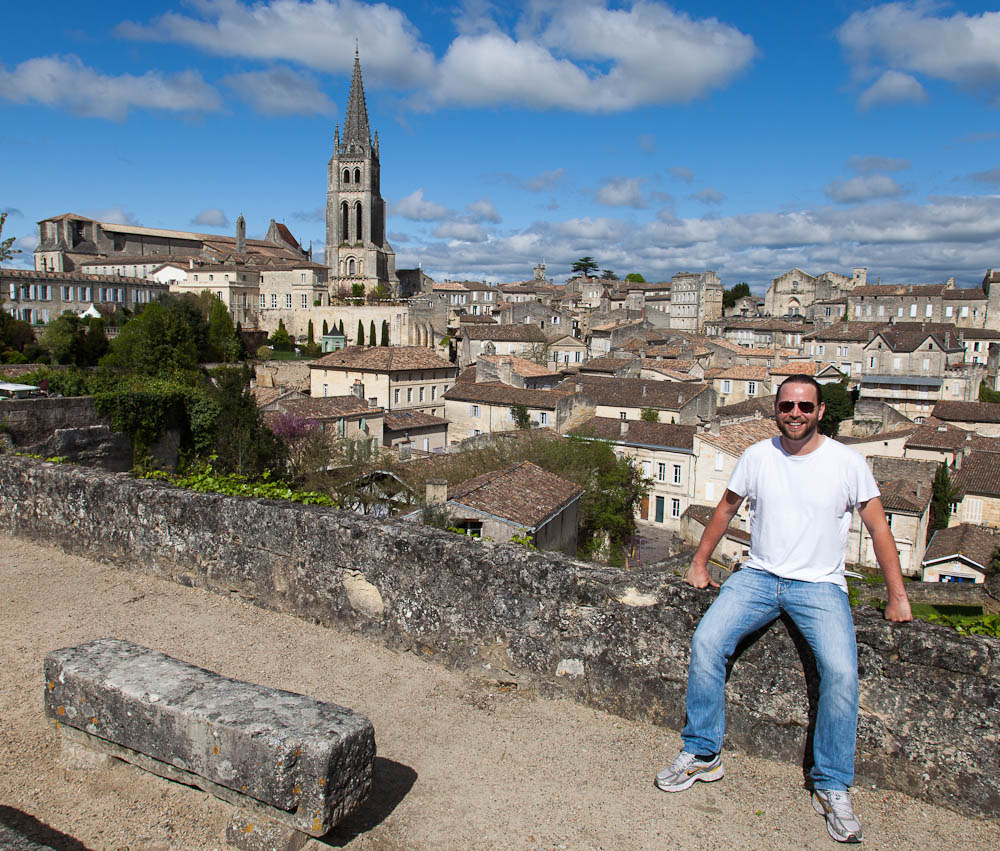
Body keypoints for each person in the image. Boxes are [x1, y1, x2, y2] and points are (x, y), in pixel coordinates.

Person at [655, 374, 912, 844]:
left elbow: (878, 531)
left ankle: (831, 784)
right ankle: (703, 752)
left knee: (841, 672)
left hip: (820, 586)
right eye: (787, 406)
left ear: (820, 412)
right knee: (707, 642)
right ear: (776, 409)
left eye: (805, 407)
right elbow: (725, 510)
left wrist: (898, 594)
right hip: (757, 575)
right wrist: (698, 562)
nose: (795, 414)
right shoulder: (757, 456)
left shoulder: (847, 463)